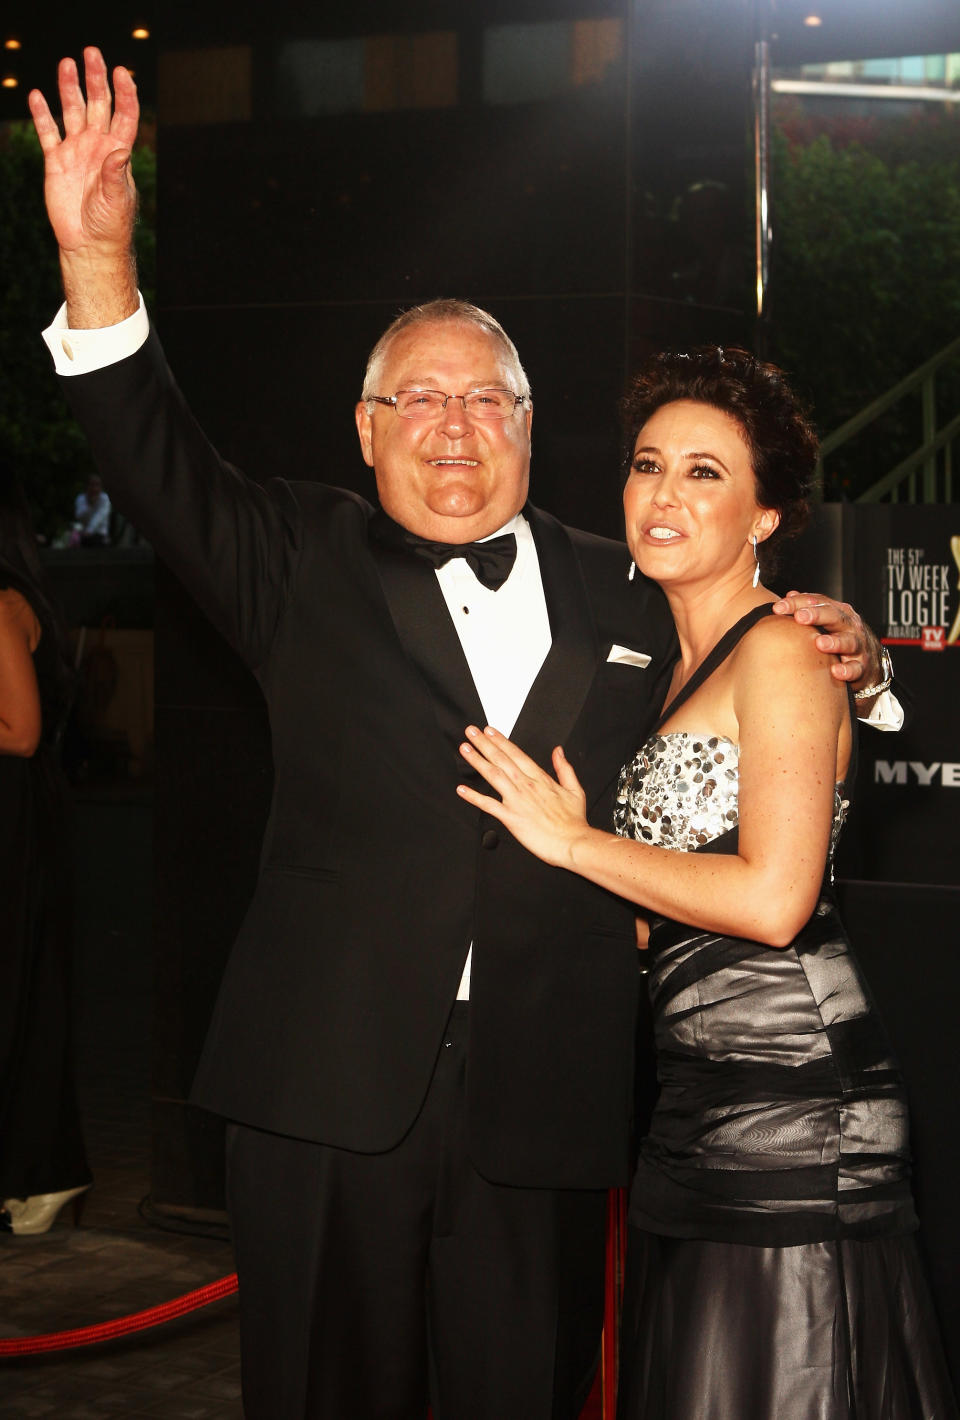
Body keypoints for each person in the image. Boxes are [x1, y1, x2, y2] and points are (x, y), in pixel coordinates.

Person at [28, 50, 898, 1420]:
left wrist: (849, 638)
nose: (455, 425)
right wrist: (95, 255)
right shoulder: (296, 557)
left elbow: (750, 645)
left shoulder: (629, 580)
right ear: (365, 430)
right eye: (420, 398)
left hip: (540, 1104)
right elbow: (149, 447)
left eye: (488, 397)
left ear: (534, 432)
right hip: (321, 1093)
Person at [456, 347, 956, 1420]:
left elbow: (774, 899)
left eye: (705, 472)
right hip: (695, 1093)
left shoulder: (779, 649)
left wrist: (572, 840)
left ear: (766, 516)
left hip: (794, 1101)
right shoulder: (661, 652)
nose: (665, 495)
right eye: (648, 465)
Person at [0, 467, 91, 1236]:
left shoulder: (0, 603)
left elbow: (20, 734)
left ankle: (45, 1172)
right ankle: (37, 1170)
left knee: (19, 992)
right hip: (25, 817)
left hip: (14, 818)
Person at [72, 472, 111, 545]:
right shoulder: (81, 499)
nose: (94, 488)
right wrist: (90, 505)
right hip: (84, 536)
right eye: (92, 485)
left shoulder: (105, 499)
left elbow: (100, 516)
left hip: (100, 536)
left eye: (97, 485)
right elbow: (79, 516)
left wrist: (89, 531)